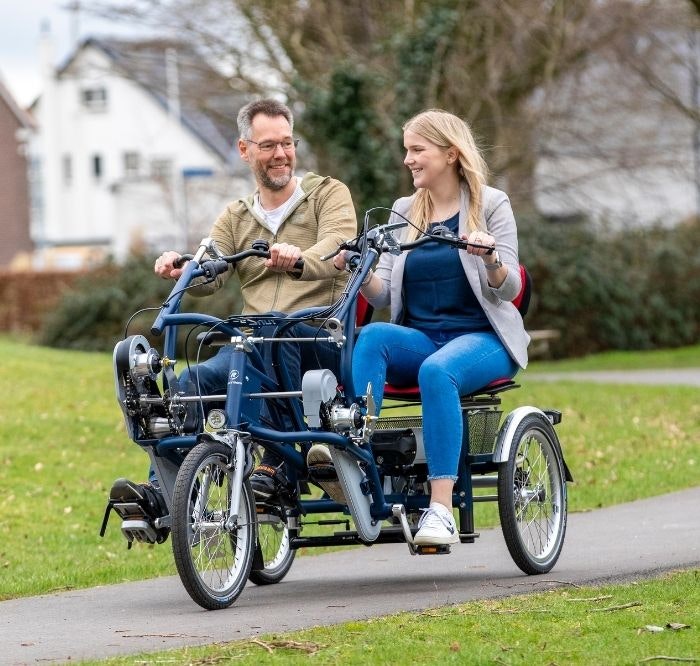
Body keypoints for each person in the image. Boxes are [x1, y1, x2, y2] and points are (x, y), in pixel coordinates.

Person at [109, 98, 358, 523]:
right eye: (267, 146)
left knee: (275, 332)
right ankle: (162, 493)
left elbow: (338, 246)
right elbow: (213, 269)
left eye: (286, 143)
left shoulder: (327, 195)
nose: (280, 154)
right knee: (191, 382)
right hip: (251, 344)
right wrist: (187, 269)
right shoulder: (236, 216)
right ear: (245, 151)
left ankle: (275, 472)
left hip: (318, 342)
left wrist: (297, 257)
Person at [333, 109, 529, 546]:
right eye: (407, 150)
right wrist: (358, 269)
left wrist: (490, 258)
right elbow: (382, 295)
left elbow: (509, 287)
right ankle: (357, 462)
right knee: (373, 336)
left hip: (482, 338)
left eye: (417, 150)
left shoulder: (491, 204)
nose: (408, 159)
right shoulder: (404, 211)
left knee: (438, 371)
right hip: (422, 338)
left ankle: (440, 510)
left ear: (451, 154)